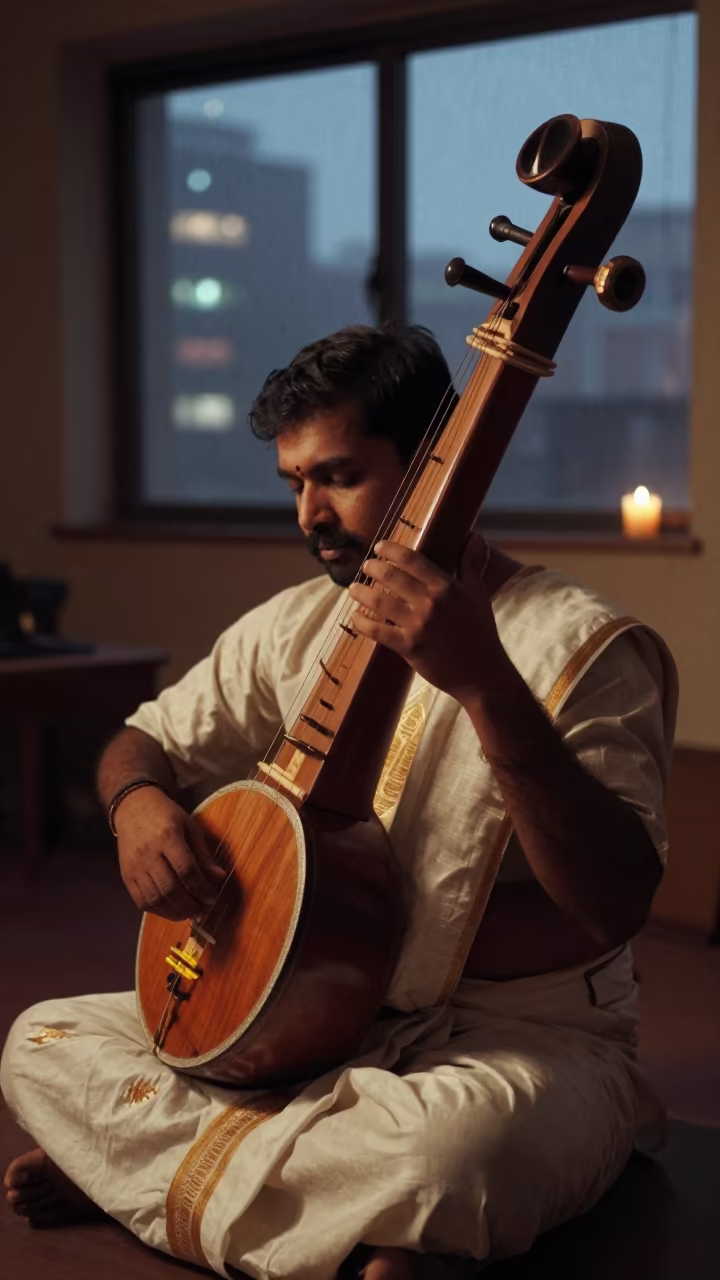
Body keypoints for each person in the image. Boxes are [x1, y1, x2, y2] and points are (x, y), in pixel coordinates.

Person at [2, 325, 677, 1280]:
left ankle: (147, 1172)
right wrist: (137, 807)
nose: (310, 512)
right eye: (294, 483)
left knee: (454, 1155)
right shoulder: (301, 623)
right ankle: (354, 1229)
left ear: (435, 468)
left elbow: (615, 903)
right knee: (39, 1042)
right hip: (301, 1018)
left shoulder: (585, 647)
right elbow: (138, 741)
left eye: (339, 475)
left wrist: (485, 683)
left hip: (512, 1038)